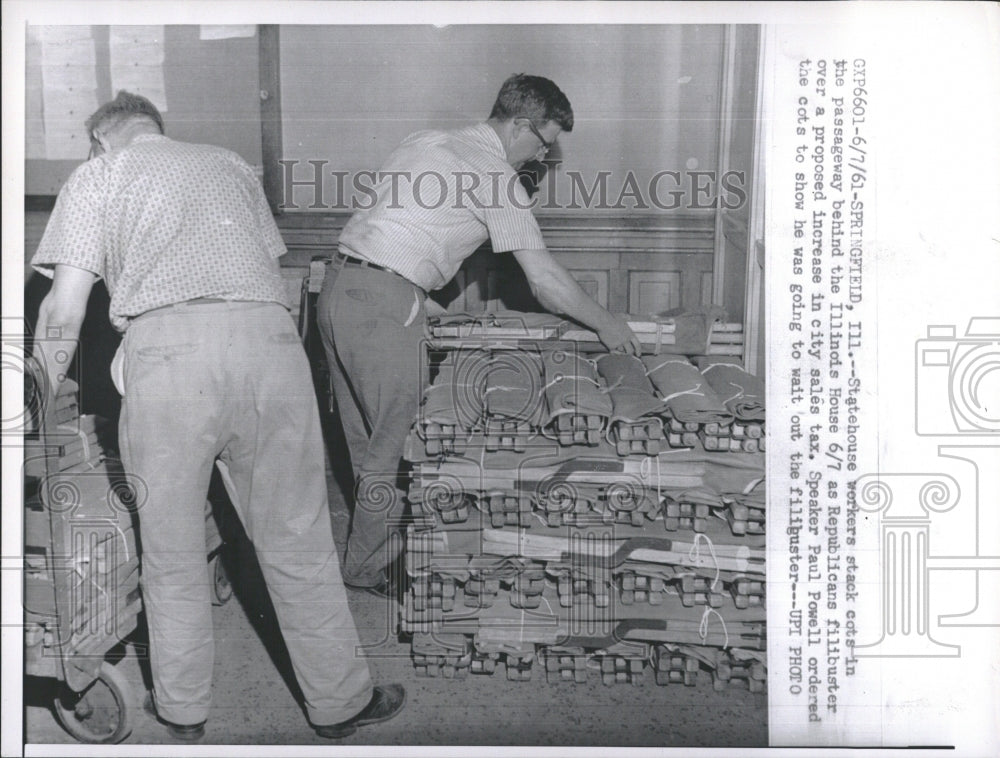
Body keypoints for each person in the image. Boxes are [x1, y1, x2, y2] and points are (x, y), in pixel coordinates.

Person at [30, 91, 404, 742]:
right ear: (156, 128)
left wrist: (32, 399)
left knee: (170, 546)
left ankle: (181, 712)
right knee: (299, 537)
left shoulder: (97, 175)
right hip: (268, 343)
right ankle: (341, 703)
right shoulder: (229, 162)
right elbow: (274, 272)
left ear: (99, 139)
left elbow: (63, 308)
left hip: (170, 355)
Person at [317, 73, 641, 596]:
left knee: (364, 443)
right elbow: (545, 281)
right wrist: (608, 322)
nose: (538, 158)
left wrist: (415, 299)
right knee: (396, 448)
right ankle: (366, 567)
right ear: (519, 126)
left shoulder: (425, 141)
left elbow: (399, 223)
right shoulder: (494, 174)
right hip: (385, 301)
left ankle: (369, 552)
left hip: (337, 288)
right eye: (542, 144)